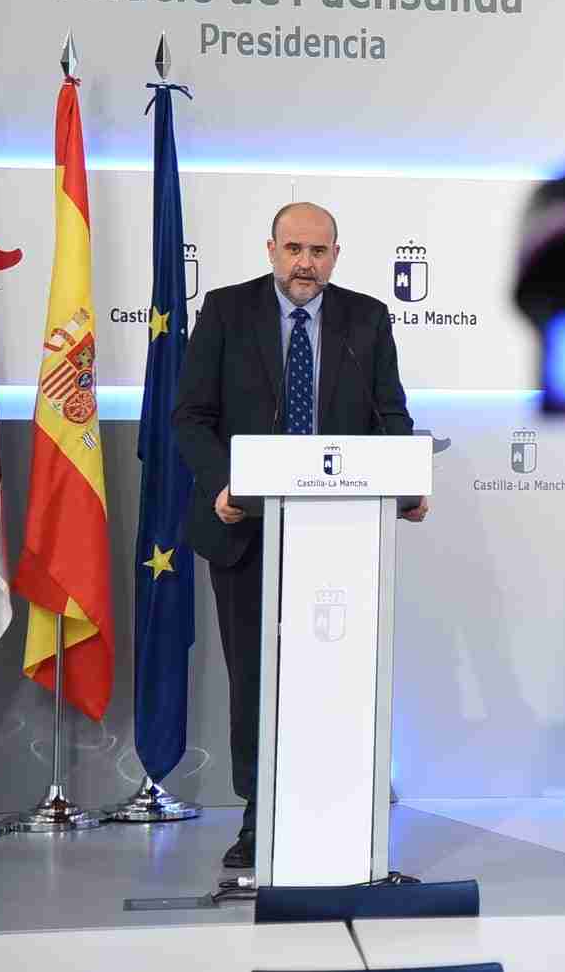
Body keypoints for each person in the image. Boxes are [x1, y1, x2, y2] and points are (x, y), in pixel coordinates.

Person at [173, 201, 429, 870]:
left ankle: (337, 808)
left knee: (332, 678)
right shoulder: (226, 313)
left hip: (338, 536)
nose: (305, 262)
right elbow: (191, 418)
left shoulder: (365, 319)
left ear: (335, 256)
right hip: (244, 529)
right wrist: (225, 486)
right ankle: (260, 816)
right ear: (271, 250)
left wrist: (404, 480)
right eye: (293, 248)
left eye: (318, 250)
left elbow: (390, 415)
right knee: (255, 679)